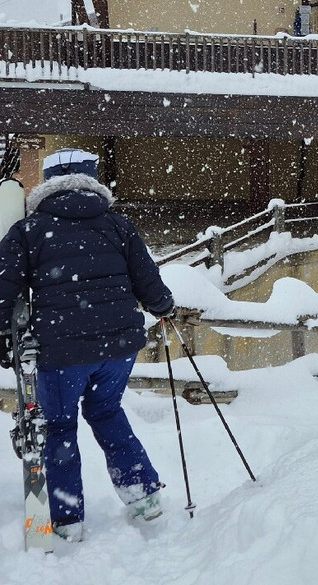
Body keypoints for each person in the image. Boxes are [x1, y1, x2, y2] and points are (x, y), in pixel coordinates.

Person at [0, 149, 175, 542]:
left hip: (61, 351)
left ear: (46, 183)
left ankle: (67, 521)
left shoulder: (29, 230)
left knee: (60, 426)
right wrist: (164, 305)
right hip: (119, 346)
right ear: (94, 181)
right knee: (108, 413)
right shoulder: (118, 225)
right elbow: (149, 281)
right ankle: (144, 498)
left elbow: (4, 288)